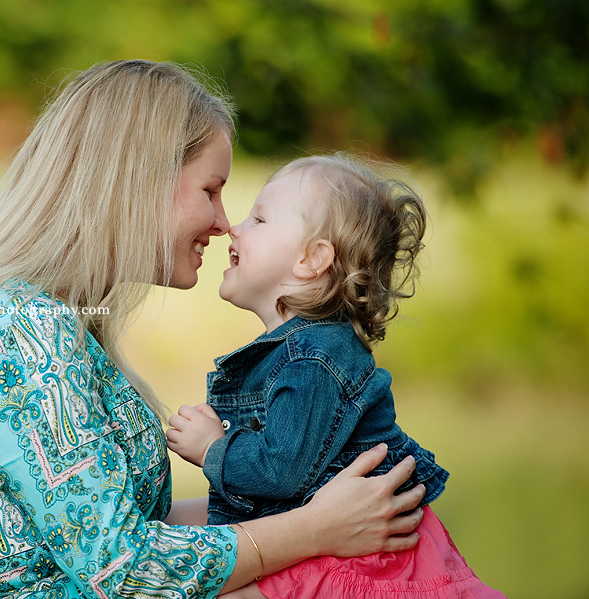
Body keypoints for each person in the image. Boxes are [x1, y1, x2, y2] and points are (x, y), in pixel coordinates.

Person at [0, 61, 427, 599]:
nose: (223, 222)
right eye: (210, 190)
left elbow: (140, 528)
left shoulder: (57, 324)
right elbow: (126, 572)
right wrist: (313, 531)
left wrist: (324, 510)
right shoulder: (19, 333)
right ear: (139, 184)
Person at [166, 153, 505, 598]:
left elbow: (281, 473)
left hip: (361, 562)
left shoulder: (314, 359)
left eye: (260, 219)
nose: (234, 227)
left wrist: (214, 449)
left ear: (312, 258)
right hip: (338, 543)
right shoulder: (302, 349)